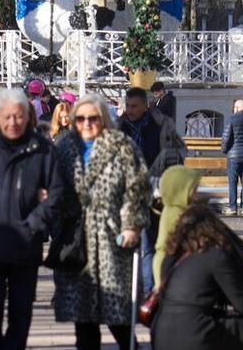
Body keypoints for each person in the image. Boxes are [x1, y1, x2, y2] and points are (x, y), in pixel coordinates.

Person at [0, 88, 64, 350]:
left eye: (19, 117)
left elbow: (56, 191)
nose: (13, 123)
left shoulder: (42, 149)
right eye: (7, 117)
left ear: (28, 116)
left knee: (22, 303)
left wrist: (35, 224)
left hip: (25, 239)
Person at [50, 93, 151, 350]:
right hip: (76, 241)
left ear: (103, 119)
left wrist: (131, 224)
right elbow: (53, 187)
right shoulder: (64, 148)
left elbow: (138, 188)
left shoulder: (121, 145)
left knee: (117, 316)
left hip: (111, 239)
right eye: (80, 118)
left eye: (92, 118)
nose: (86, 123)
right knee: (83, 320)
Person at [151, 205, 243, 350]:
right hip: (194, 333)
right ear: (211, 227)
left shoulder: (171, 257)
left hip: (160, 332)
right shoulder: (215, 256)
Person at [118, 87, 187, 293]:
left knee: (149, 243)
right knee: (127, 243)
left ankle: (149, 291)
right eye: (128, 106)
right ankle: (131, 290)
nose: (130, 110)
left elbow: (179, 151)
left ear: (145, 105)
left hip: (154, 189)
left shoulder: (162, 124)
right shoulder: (119, 127)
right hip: (127, 192)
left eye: (134, 106)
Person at [153, 165, 201, 288]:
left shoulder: (172, 210)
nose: (197, 196)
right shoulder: (176, 214)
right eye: (193, 191)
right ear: (180, 191)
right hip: (169, 267)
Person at [220, 99, 243, 216]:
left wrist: (224, 150)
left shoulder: (231, 119)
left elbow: (226, 137)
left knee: (233, 182)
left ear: (236, 107)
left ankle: (233, 207)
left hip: (233, 155)